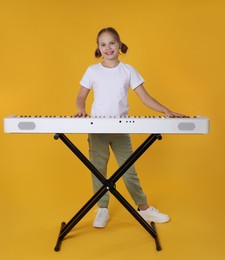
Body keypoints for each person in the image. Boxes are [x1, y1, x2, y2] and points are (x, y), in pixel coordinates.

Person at [75, 27, 185, 228]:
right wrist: (81, 109)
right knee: (97, 168)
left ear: (119, 45)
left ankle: (143, 209)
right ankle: (102, 209)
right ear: (98, 49)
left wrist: (166, 111)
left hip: (121, 128)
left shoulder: (128, 70)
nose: (108, 47)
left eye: (111, 43)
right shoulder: (92, 71)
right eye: (103, 44)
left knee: (128, 169)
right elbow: (81, 96)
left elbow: (144, 97)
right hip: (97, 128)